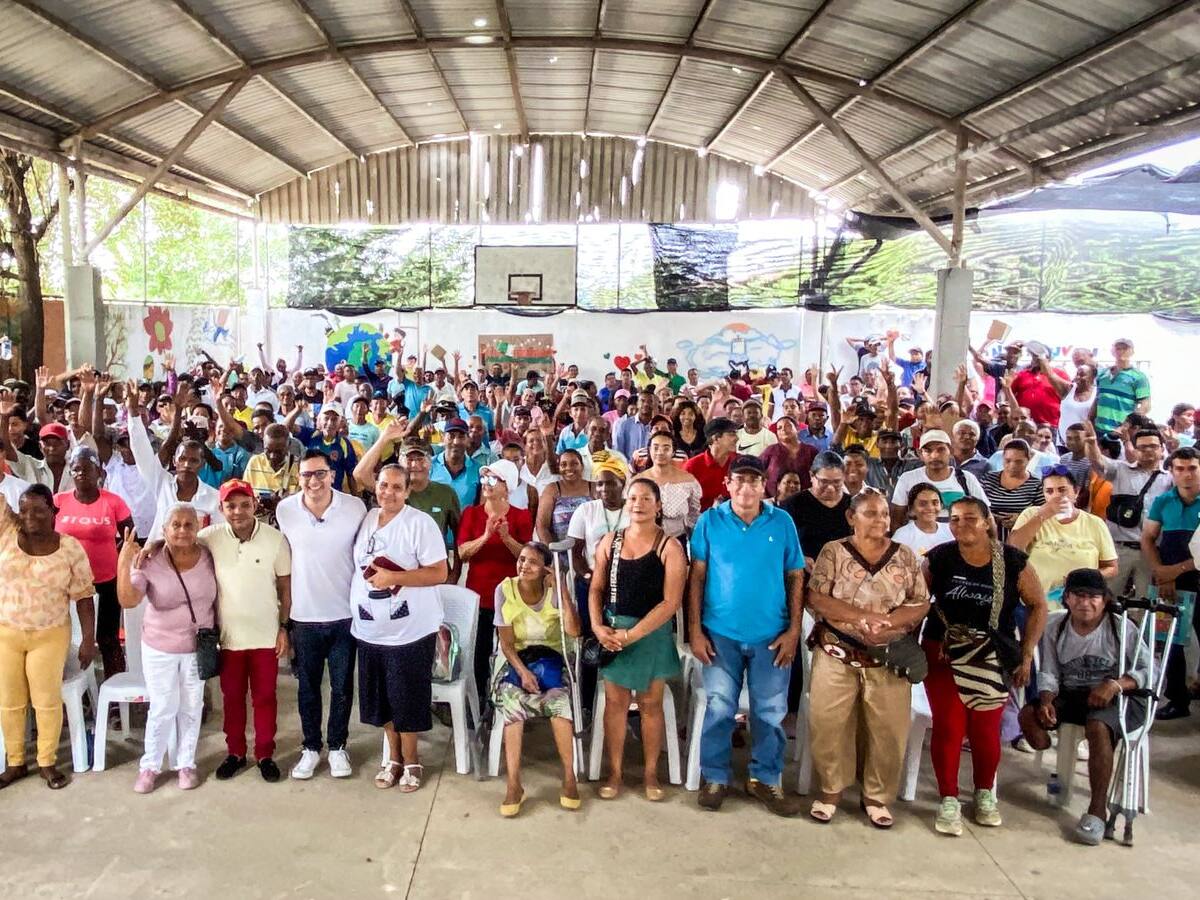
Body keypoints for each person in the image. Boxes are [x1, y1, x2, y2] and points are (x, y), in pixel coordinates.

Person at [805, 489, 930, 827]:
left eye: (885, 515)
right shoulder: (833, 552)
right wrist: (858, 617)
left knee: (888, 729)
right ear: (851, 517)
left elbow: (920, 602)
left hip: (887, 657)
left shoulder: (904, 556)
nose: (881, 521)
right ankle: (830, 790)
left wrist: (888, 622)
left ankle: (876, 796)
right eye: (871, 514)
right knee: (829, 723)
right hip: (837, 651)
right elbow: (816, 598)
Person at [924, 497, 1047, 836]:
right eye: (956, 519)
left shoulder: (1012, 560)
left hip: (992, 653)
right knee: (949, 726)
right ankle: (948, 797)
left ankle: (983, 793)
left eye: (970, 518)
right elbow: (917, 600)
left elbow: (1037, 605)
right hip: (944, 651)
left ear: (987, 521)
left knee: (984, 729)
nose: (961, 524)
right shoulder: (940, 557)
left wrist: (1026, 654)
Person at [689, 456, 804, 816]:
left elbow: (796, 576)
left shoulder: (781, 521)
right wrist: (694, 629)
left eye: (754, 481)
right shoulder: (710, 522)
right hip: (720, 633)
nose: (746, 488)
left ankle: (765, 778)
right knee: (720, 706)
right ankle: (715, 775)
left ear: (763, 486)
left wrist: (794, 631)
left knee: (770, 712)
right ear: (727, 484)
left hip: (771, 634)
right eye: (739, 481)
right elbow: (696, 578)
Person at [1018, 568, 1148, 846]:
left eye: (1093, 597)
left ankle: (1097, 811)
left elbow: (1148, 670)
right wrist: (1046, 700)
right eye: (1078, 596)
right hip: (1074, 694)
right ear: (1066, 598)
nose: (1085, 603)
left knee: (1098, 726)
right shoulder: (1056, 626)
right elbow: (1050, 672)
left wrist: (1114, 685)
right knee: (1028, 717)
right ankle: (1056, 772)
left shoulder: (1121, 627)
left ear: (1104, 600)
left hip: (1120, 698)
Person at [587, 479, 686, 801]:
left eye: (646, 498)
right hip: (614, 632)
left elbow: (670, 603)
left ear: (658, 506)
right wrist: (599, 628)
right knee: (615, 704)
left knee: (650, 704)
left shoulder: (669, 547)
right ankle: (614, 773)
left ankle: (650, 774)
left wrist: (633, 635)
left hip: (651, 633)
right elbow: (596, 589)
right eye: (633, 498)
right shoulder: (610, 542)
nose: (638, 503)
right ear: (626, 503)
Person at [353, 465, 448, 793]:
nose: (388, 492)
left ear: (408, 491)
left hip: (409, 631)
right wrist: (386, 439)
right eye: (383, 485)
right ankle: (392, 759)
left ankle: (411, 760)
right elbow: (359, 472)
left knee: (406, 698)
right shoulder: (368, 519)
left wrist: (395, 578)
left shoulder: (420, 524)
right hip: (370, 629)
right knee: (382, 700)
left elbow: (438, 573)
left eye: (396, 487)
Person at [275, 450, 368, 780]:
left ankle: (338, 746)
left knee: (342, 686)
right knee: (308, 688)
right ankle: (311, 747)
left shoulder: (354, 508)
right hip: (304, 616)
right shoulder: (285, 510)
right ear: (297, 478)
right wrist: (284, 621)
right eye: (306, 475)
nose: (313, 481)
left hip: (344, 615)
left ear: (332, 475)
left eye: (320, 474)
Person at [0, 485, 96, 790]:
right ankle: (15, 762)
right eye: (25, 510)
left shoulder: (69, 548)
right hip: (7, 632)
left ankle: (47, 762)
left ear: (54, 513)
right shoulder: (6, 532)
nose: (31, 517)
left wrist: (88, 640)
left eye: (39, 510)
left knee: (46, 700)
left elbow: (83, 596)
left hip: (49, 634)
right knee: (10, 701)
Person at [115, 505, 216, 792]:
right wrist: (125, 561)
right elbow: (129, 600)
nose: (182, 530)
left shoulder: (209, 555)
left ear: (198, 528)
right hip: (160, 647)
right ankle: (150, 766)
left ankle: (186, 764)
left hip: (198, 647)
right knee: (163, 707)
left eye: (188, 525)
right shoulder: (150, 561)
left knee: (192, 706)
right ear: (165, 529)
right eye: (176, 525)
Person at [200, 480, 293, 783]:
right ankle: (236, 752)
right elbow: (178, 541)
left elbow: (285, 588)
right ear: (221, 508)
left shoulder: (275, 540)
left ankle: (265, 753)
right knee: (232, 698)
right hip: (229, 638)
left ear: (255, 505)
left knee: (265, 697)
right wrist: (150, 548)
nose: (237, 511)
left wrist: (283, 628)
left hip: (266, 636)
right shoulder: (210, 538)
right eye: (231, 505)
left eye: (244, 504)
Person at [493, 542, 582, 816]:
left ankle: (569, 778)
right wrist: (523, 672)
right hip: (518, 659)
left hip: (553, 657)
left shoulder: (555, 591)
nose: (524, 566)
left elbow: (574, 631)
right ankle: (514, 784)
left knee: (559, 705)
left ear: (545, 569)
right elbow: (506, 644)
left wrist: (562, 589)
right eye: (521, 560)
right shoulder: (504, 590)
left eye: (532, 562)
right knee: (513, 706)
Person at [53, 446, 134, 681]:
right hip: (65, 584)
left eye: (86, 469)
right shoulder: (58, 502)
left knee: (107, 638)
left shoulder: (114, 502)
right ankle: (80, 693)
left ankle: (116, 696)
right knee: (68, 639)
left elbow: (129, 538)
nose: (80, 474)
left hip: (105, 581)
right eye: (76, 469)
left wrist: (121, 561)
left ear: (98, 471)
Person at [457, 459, 535, 701]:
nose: (486, 484)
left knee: (513, 651)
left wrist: (507, 537)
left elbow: (527, 558)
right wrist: (486, 536)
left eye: (493, 479)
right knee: (478, 655)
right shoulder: (471, 514)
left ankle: (513, 700)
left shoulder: (521, 517)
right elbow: (462, 553)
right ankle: (479, 703)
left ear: (507, 486)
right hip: (479, 596)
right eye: (484, 479)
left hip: (511, 598)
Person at [1142, 447, 1200, 719]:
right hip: (1170, 583)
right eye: (1180, 469)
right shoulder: (1163, 501)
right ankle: (1177, 699)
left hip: (1188, 575)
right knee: (1171, 641)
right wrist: (1160, 571)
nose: (1186, 474)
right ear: (1172, 471)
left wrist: (1174, 570)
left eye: (1192, 468)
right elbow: (1148, 539)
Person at [1078, 425, 1166, 599]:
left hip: (1152, 552)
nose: (1148, 450)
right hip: (1118, 549)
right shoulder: (1120, 470)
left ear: (1162, 449)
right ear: (1135, 449)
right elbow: (1098, 462)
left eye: (1153, 446)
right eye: (1142, 447)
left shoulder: (1170, 479)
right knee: (1106, 599)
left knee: (1146, 603)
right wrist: (1092, 444)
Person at [1009, 467, 1118, 605]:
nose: (1056, 496)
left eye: (1062, 490)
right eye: (1049, 491)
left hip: (1080, 605)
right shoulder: (1031, 514)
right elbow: (1013, 548)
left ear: (1076, 492)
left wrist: (1084, 577)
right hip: (1036, 604)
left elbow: (1112, 568)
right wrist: (1042, 515)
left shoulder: (1094, 523)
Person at [890, 430, 988, 531]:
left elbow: (986, 516)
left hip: (958, 542)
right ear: (920, 454)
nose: (935, 456)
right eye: (928, 451)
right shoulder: (907, 479)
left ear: (951, 451)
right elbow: (896, 520)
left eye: (941, 450)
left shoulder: (966, 478)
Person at [632, 432, 701, 540]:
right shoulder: (638, 481)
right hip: (643, 539)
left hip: (677, 539)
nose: (660, 452)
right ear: (649, 450)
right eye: (656, 448)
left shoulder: (688, 481)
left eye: (666, 448)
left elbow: (694, 516)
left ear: (673, 451)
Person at [979, 440, 1044, 539]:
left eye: (1019, 462)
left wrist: (1021, 518)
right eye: (1008, 461)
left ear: (1028, 459)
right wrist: (991, 517)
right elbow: (977, 506)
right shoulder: (988, 479)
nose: (1012, 465)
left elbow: (1043, 512)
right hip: (990, 537)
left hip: (1023, 538)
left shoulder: (1036, 484)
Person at [1093, 338, 1151, 435]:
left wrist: (1125, 427)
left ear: (1132, 351)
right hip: (1098, 430)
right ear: (1112, 351)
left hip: (1121, 433)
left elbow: (1146, 406)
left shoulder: (1139, 377)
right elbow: (1096, 400)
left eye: (1125, 348)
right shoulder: (1103, 374)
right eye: (1118, 348)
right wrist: (1090, 422)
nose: (1121, 351)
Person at [535, 449, 592, 544]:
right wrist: (553, 554)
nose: (569, 468)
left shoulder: (594, 488)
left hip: (592, 552)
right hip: (561, 553)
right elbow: (542, 527)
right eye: (563, 465)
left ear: (582, 466)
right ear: (559, 469)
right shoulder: (552, 489)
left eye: (574, 464)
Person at [682, 417, 739, 511]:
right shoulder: (692, 467)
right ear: (716, 438)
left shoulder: (740, 462)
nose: (737, 438)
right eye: (731, 434)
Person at [431, 418, 481, 512]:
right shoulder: (429, 466)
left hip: (465, 526)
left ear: (468, 439)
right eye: (451, 436)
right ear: (443, 437)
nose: (456, 442)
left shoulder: (477, 469)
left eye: (461, 436)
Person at [759, 415, 816, 497]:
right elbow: (757, 471)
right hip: (775, 502)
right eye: (779, 428)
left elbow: (820, 474)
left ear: (797, 429)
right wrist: (763, 495)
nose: (783, 430)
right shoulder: (770, 451)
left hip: (805, 501)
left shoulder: (811, 451)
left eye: (788, 426)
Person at [893, 482, 953, 556]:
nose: (930, 508)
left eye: (935, 503)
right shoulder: (902, 535)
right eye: (922, 504)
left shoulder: (951, 530)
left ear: (941, 505)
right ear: (912, 509)